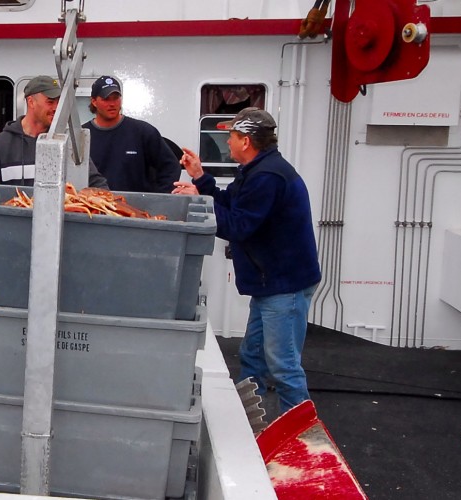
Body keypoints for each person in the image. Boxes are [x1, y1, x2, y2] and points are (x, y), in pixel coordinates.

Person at [174, 108, 320, 411]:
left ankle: (301, 441)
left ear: (247, 141)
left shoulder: (267, 176)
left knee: (284, 367)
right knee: (253, 354)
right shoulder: (258, 171)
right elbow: (232, 203)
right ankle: (254, 422)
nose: (227, 141)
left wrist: (202, 202)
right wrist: (200, 178)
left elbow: (239, 225)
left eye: (232, 136)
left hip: (284, 287)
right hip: (273, 285)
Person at [0, 75, 107, 189]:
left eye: (58, 102)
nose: (56, 108)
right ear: (31, 102)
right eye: (50, 102)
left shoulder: (68, 143)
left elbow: (96, 182)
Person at [84, 76, 181, 193]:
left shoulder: (143, 131)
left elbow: (171, 167)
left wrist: (157, 199)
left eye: (116, 98)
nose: (112, 104)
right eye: (106, 99)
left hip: (136, 209)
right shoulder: (81, 136)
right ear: (94, 101)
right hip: (96, 208)